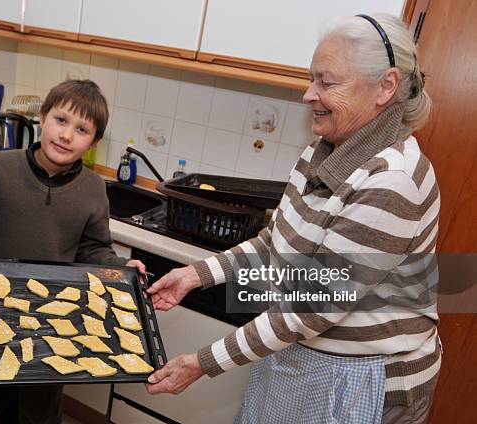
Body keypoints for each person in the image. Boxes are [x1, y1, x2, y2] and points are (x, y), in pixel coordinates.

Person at [146, 13, 440, 424]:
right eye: (311, 79)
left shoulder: (393, 181)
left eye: (327, 82)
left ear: (385, 87)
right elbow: (274, 243)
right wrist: (195, 275)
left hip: (363, 379)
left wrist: (202, 362)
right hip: (303, 351)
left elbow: (310, 308)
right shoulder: (323, 150)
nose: (308, 94)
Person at [0, 79, 145, 424]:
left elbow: (94, 248)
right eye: (61, 120)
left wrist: (122, 268)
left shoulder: (94, 189)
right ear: (42, 117)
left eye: (82, 129)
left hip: (54, 319)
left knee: (42, 409)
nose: (67, 135)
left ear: (94, 142)